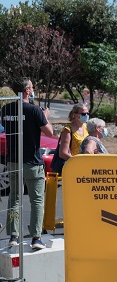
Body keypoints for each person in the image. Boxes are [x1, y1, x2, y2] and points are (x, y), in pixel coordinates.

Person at [2, 78, 54, 249]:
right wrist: (45, 117)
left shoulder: (6, 109)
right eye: (32, 87)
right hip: (32, 161)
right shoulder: (34, 110)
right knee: (37, 200)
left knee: (14, 198)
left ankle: (13, 236)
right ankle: (36, 238)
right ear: (27, 91)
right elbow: (49, 132)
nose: (33, 89)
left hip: (13, 160)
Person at [54, 103, 89, 172]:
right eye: (83, 114)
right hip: (72, 167)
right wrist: (77, 163)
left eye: (88, 113)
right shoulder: (68, 130)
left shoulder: (86, 127)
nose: (86, 116)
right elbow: (63, 153)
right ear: (75, 115)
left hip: (84, 166)